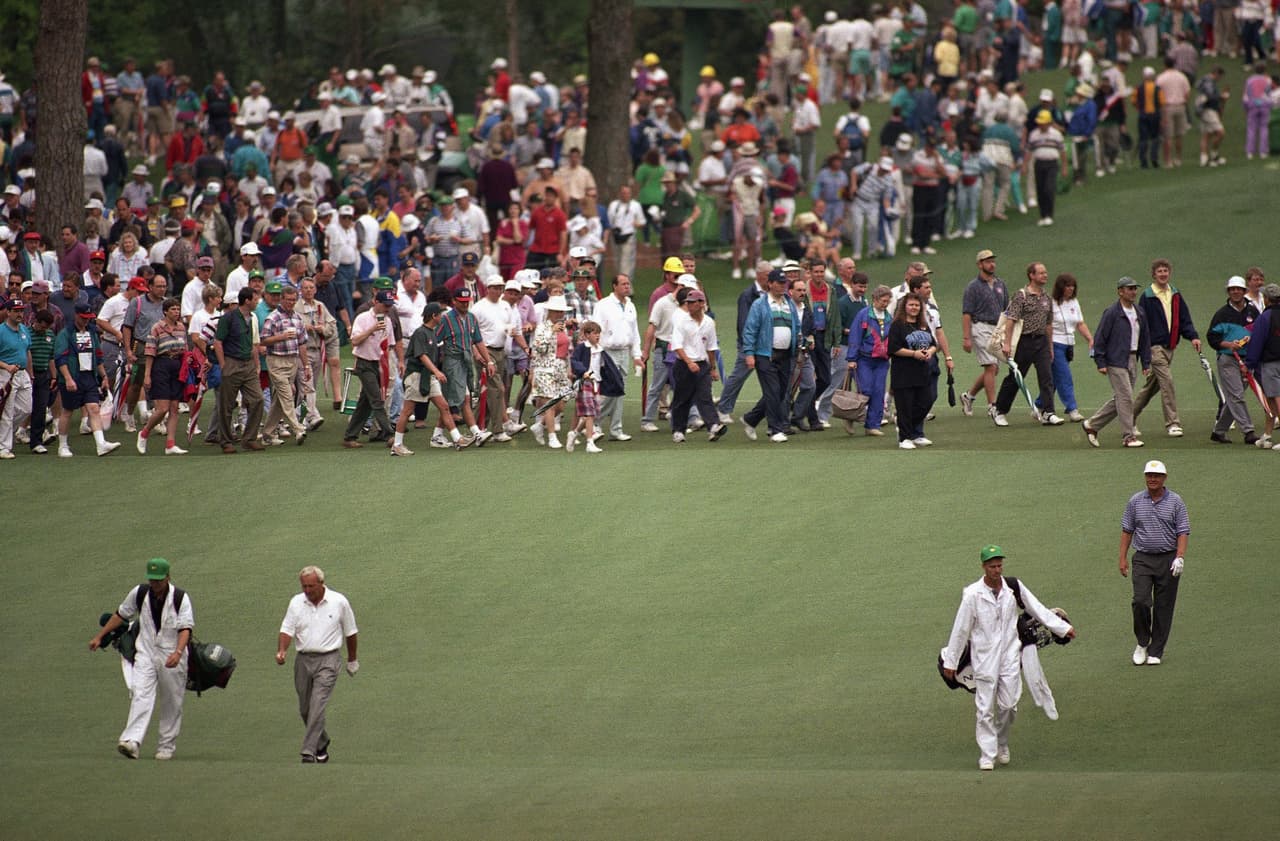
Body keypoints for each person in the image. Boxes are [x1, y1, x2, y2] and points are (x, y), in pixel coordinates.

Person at [942, 545, 1075, 770]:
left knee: (1009, 704)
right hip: (984, 658)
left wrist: (1062, 628)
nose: (997, 570)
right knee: (984, 708)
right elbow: (961, 629)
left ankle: (1002, 743)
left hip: (1010, 654)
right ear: (984, 567)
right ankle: (987, 754)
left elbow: (1037, 608)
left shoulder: (1013, 587)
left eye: (999, 565)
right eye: (992, 566)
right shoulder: (972, 595)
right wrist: (951, 662)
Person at [89, 558, 194, 761]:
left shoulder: (181, 598)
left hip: (172, 654)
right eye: (152, 580)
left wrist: (178, 653)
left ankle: (166, 746)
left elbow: (186, 629)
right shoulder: (139, 593)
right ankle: (132, 741)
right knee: (140, 693)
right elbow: (121, 614)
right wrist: (99, 636)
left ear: (168, 577)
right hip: (145, 652)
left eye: (159, 580)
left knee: (172, 701)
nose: (155, 584)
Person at [276, 565, 359, 764]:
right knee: (305, 708)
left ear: (321, 584)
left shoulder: (339, 602)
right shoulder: (296, 603)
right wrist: (282, 650)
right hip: (303, 660)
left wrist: (352, 659)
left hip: (329, 659)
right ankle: (321, 744)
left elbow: (351, 632)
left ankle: (308, 750)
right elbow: (287, 629)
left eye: (311, 586)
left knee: (317, 704)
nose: (307, 590)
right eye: (304, 586)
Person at [1120, 460, 1190, 666]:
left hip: (1168, 559)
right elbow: (1127, 530)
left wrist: (1180, 556)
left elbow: (1183, 531)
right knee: (1140, 600)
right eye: (1149, 475)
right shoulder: (1135, 501)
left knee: (1164, 605)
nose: (1152, 479)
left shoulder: (1176, 502)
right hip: (1143, 558)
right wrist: (1122, 558)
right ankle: (1142, 642)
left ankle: (1156, 650)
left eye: (1157, 475)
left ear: (1164, 478)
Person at [1131, 258, 1201, 439]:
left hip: (1170, 347)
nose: (1163, 274)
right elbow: (1141, 324)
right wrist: (1144, 351)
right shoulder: (1147, 296)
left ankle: (1128, 417)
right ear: (1153, 274)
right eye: (1159, 271)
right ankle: (1173, 423)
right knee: (1167, 382)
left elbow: (1184, 319)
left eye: (1165, 271)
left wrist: (1193, 336)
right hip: (1154, 347)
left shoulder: (1175, 294)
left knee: (1151, 387)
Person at [1082, 277, 1152, 448]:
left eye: (1135, 288)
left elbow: (1145, 338)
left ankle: (1092, 425)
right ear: (1120, 291)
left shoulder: (1139, 312)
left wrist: (1146, 362)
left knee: (1122, 398)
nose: (1133, 292)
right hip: (1115, 359)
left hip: (1132, 359)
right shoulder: (1112, 312)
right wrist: (1100, 361)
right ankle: (1128, 437)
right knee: (1126, 397)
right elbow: (1100, 337)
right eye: (1129, 289)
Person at [992, 262, 1063, 428]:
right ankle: (999, 410)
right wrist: (1007, 344)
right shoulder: (1021, 295)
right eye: (1041, 273)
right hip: (1024, 341)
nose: (1045, 275)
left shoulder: (1047, 298)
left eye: (1045, 273)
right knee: (1016, 377)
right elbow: (1011, 320)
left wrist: (1050, 346)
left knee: (1047, 377)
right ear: (1032, 275)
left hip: (1042, 342)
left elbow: (1049, 324)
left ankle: (1048, 412)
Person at [740, 268, 802, 442]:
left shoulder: (789, 303)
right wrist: (749, 353)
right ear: (770, 284)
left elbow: (796, 325)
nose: (783, 286)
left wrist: (799, 345)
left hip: (786, 354)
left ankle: (750, 419)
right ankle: (775, 430)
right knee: (773, 391)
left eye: (785, 283)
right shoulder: (760, 304)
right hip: (765, 355)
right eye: (780, 283)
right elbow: (750, 330)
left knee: (780, 393)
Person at [54, 302, 121, 457]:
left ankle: (101, 444)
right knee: (68, 411)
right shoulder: (65, 334)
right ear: (76, 315)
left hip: (89, 377)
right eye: (83, 318)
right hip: (72, 377)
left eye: (88, 318)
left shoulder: (91, 333)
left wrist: (103, 376)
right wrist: (68, 378)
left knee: (94, 408)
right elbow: (60, 359)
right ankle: (62, 446)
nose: (86, 321)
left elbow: (98, 357)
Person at [1207, 275, 1261, 445]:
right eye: (1232, 289)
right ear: (1228, 292)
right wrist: (1228, 344)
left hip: (1248, 360)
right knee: (1237, 395)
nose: (1235, 292)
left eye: (1238, 289)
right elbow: (1212, 338)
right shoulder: (1221, 314)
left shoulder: (1253, 312)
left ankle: (1218, 432)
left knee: (1234, 397)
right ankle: (1248, 431)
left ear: (1244, 292)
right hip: (1228, 359)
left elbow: (1260, 333)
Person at [213, 287, 267, 454]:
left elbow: (252, 343)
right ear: (247, 300)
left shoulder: (252, 317)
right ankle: (226, 441)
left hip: (248, 364)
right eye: (255, 299)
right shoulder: (228, 318)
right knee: (227, 405)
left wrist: (256, 363)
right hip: (232, 362)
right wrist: (223, 365)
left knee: (257, 399)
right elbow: (218, 342)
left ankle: (249, 438)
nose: (257, 301)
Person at [342, 290, 397, 448]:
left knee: (365, 403)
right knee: (377, 399)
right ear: (376, 302)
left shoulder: (388, 320)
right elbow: (355, 340)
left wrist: (390, 365)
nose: (388, 308)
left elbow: (390, 345)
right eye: (386, 305)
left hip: (379, 363)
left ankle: (350, 436)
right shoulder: (363, 318)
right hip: (364, 363)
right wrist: (372, 329)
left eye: (390, 305)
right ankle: (389, 434)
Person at [959, 249, 1009, 419]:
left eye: (993, 260)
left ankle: (969, 396)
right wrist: (966, 338)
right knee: (991, 366)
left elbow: (1006, 310)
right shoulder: (972, 287)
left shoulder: (1001, 284)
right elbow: (966, 313)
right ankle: (992, 405)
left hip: (997, 329)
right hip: (980, 327)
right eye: (987, 261)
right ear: (980, 264)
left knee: (993, 371)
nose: (992, 264)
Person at [137, 297, 189, 455]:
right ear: (165, 311)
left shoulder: (181, 327)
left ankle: (170, 444)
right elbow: (150, 352)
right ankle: (144, 432)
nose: (176, 312)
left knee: (174, 407)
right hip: (161, 365)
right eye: (173, 309)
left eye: (178, 309)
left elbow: (185, 348)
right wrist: (147, 375)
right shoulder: (157, 328)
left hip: (177, 365)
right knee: (162, 408)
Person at [888, 291, 936, 448]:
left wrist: (929, 352)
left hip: (922, 372)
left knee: (926, 402)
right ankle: (905, 438)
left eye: (917, 305)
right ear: (904, 306)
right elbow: (893, 348)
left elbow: (934, 344)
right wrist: (914, 354)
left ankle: (915, 433)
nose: (914, 308)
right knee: (905, 406)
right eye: (911, 305)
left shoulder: (923, 324)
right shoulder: (897, 325)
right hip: (903, 373)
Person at [846, 284, 894, 437]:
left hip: (882, 361)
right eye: (883, 301)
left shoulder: (888, 318)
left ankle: (872, 425)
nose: (885, 304)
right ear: (875, 299)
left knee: (878, 392)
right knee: (865, 390)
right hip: (864, 360)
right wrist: (852, 358)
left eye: (887, 301)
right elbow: (855, 336)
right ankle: (850, 416)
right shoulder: (864, 315)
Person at [1047, 273, 1093, 422]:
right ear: (1061, 287)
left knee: (1054, 379)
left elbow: (1080, 323)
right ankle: (1072, 408)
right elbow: (1048, 326)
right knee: (1065, 377)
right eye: (1067, 286)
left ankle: (1040, 405)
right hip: (1055, 343)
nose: (1071, 289)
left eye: (1072, 286)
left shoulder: (1074, 302)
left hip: (1069, 345)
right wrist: (1049, 347)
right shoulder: (1051, 303)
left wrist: (1090, 339)